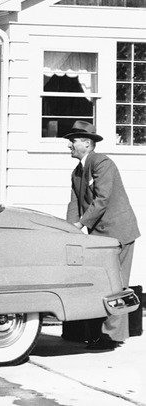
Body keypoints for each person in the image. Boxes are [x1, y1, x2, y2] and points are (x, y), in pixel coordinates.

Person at [64, 120, 140, 350]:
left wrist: (81, 223)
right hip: (100, 236)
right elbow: (74, 203)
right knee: (104, 284)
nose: (69, 146)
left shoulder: (102, 163)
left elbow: (102, 199)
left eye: (73, 141)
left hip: (118, 232)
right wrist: (68, 229)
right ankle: (102, 333)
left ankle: (113, 337)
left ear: (87, 144)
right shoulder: (77, 172)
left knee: (116, 285)